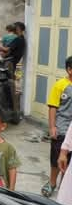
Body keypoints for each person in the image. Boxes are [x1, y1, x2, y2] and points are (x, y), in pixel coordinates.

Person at [42, 56, 72, 197]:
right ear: (69, 70)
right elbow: (53, 107)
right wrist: (52, 127)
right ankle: (52, 182)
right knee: (56, 159)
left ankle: (64, 186)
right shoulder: (60, 85)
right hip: (61, 129)